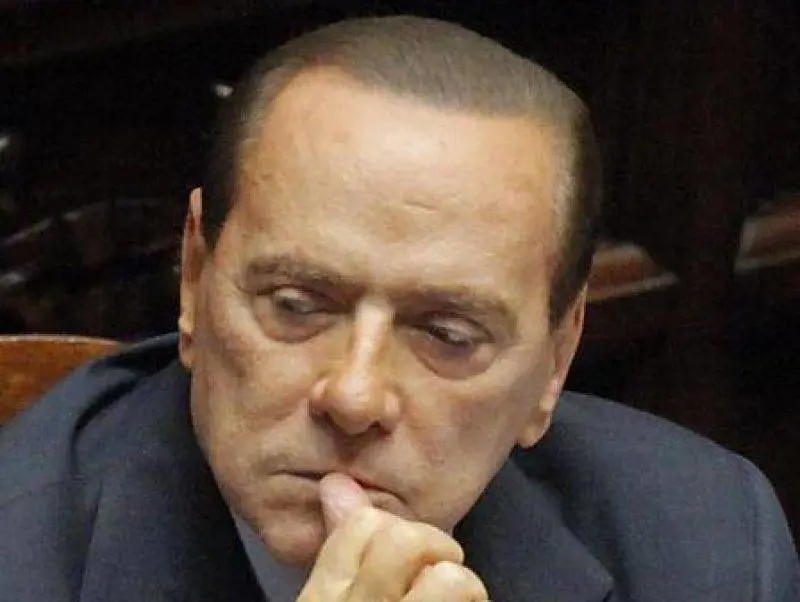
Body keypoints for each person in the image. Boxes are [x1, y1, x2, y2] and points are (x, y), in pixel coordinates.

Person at [0, 15, 797, 602]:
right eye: (296, 306)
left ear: (555, 361)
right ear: (195, 281)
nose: (354, 396)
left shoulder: (707, 543)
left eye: (447, 335)